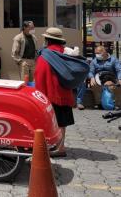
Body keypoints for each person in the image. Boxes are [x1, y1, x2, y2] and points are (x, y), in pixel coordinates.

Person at [34, 27, 73, 157]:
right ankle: (61, 146)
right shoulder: (67, 53)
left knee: (52, 121)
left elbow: (39, 76)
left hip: (50, 94)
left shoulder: (45, 55)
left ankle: (57, 148)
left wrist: (38, 95)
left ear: (48, 40)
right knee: (62, 122)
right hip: (65, 93)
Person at [88, 45, 121, 110]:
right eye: (96, 53)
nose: (97, 55)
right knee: (94, 85)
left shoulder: (114, 60)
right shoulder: (94, 61)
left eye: (98, 53)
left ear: (104, 52)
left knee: (118, 85)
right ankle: (99, 103)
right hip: (99, 79)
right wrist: (92, 77)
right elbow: (90, 71)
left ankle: (117, 104)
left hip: (112, 78)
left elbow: (119, 70)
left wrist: (120, 78)